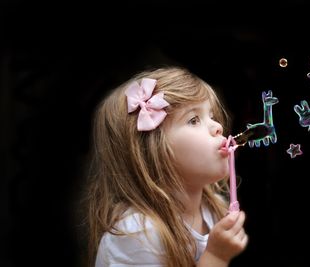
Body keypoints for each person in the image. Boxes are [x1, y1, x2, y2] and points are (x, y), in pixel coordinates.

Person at [85, 66, 248, 267]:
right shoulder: (137, 234)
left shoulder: (213, 209)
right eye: (194, 119)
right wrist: (216, 257)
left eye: (212, 116)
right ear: (154, 150)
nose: (218, 127)